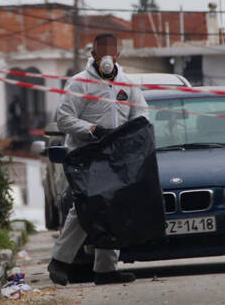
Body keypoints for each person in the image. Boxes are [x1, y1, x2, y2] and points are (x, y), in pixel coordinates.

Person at [47, 33, 149, 285]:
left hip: (117, 156)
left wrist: (131, 137)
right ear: (93, 55)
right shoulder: (78, 84)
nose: (106, 58)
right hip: (86, 155)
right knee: (85, 208)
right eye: (101, 53)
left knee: (113, 208)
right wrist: (92, 130)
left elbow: (142, 115)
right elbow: (64, 119)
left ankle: (106, 270)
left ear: (117, 55)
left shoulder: (128, 84)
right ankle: (59, 262)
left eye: (111, 53)